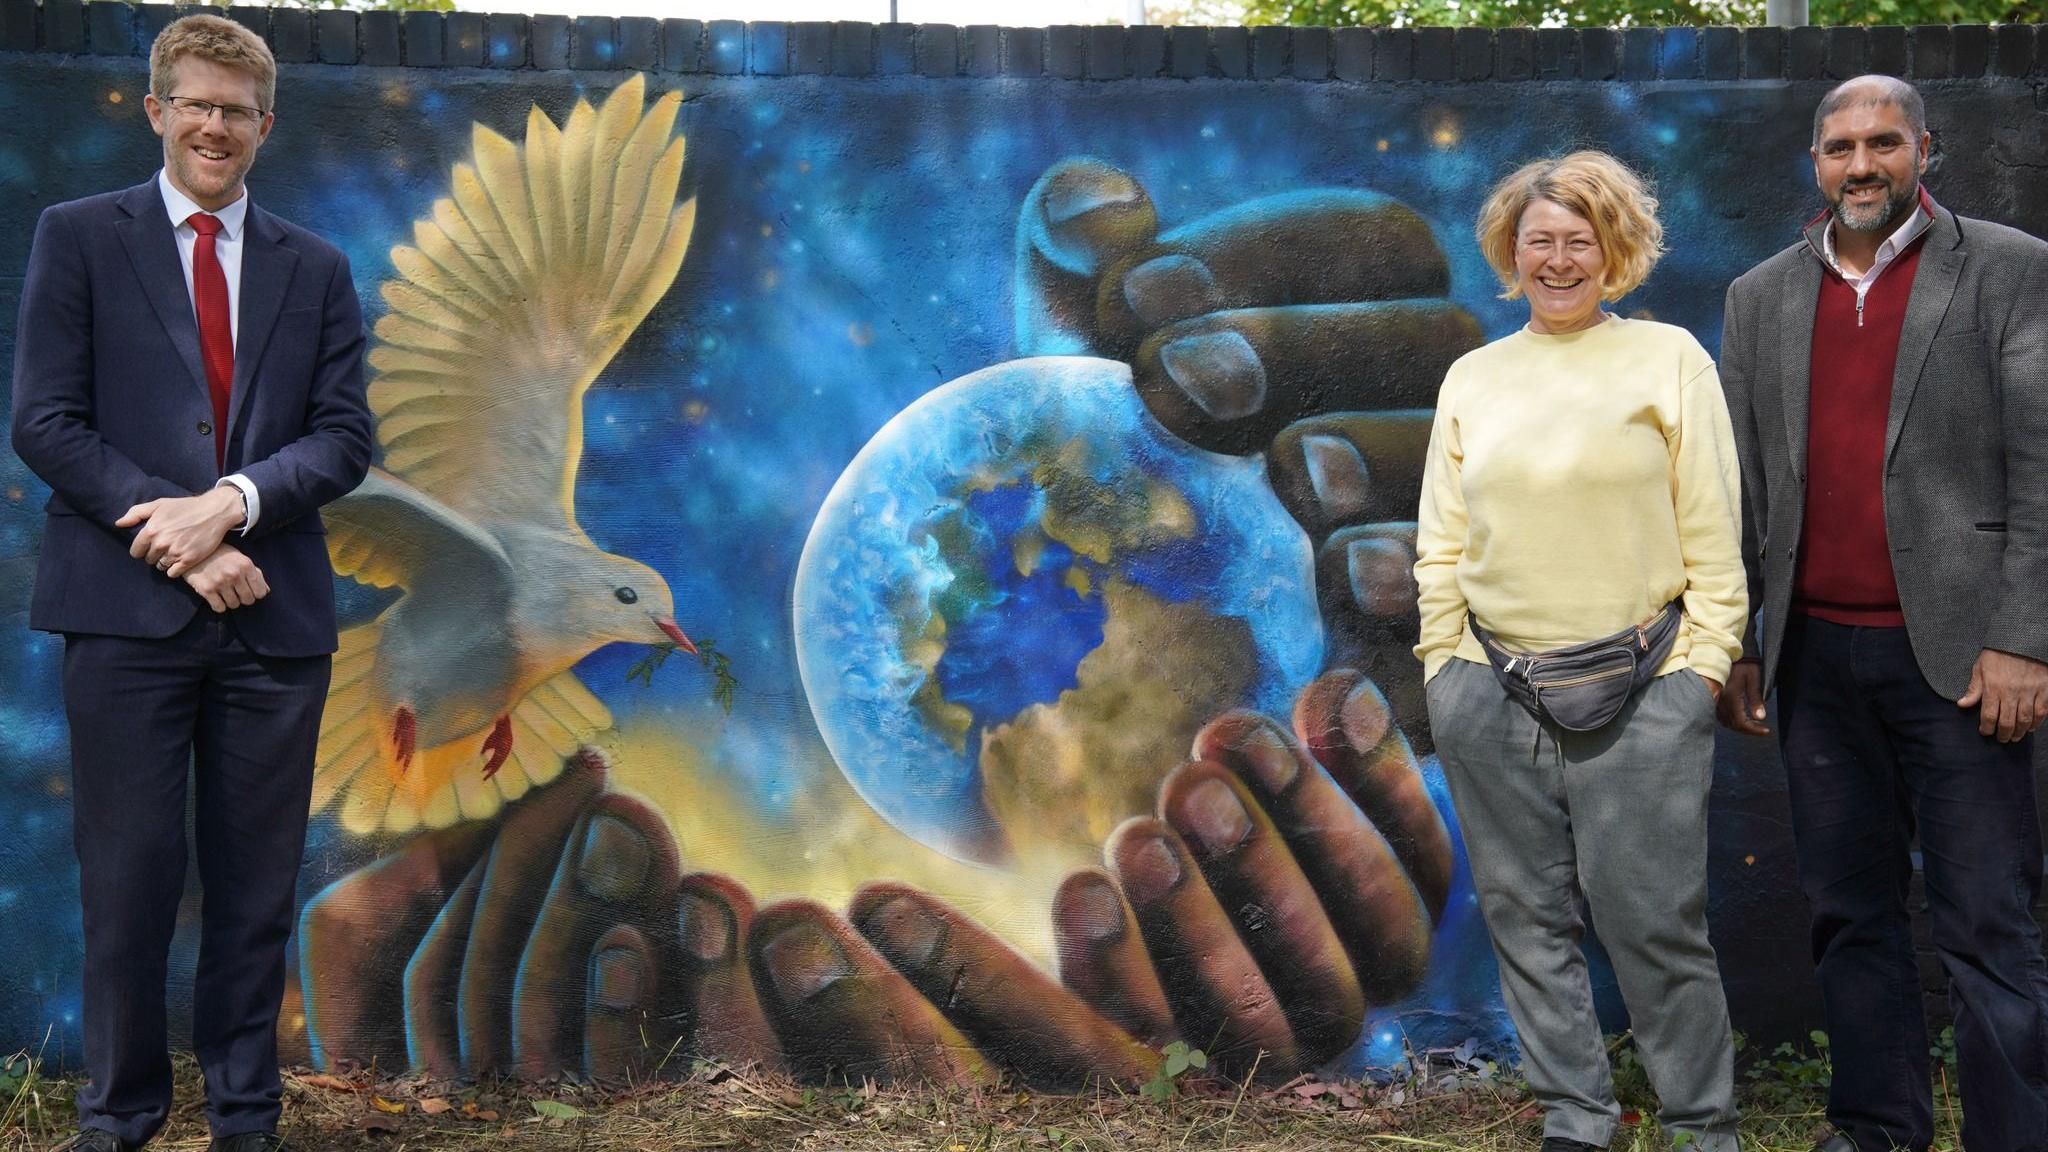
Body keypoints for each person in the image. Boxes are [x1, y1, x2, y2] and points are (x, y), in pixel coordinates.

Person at [9, 14, 372, 1152]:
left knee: (256, 889)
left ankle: (245, 1121)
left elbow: (344, 439)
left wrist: (236, 504)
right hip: (123, 618)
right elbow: (45, 422)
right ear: (156, 109)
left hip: (276, 629)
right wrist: (183, 538)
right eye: (196, 103)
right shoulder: (78, 237)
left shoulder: (313, 268)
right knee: (127, 882)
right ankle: (117, 1122)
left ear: (266, 127)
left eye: (238, 110)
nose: (216, 125)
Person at [1716, 75, 2048, 1152]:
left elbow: (2042, 469)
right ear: (1812, 162)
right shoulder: (1757, 296)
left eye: (1882, 142)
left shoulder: (2008, 270)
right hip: (1812, 659)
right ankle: (1874, 1126)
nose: (1860, 164)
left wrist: (2021, 639)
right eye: (1839, 146)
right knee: (1847, 914)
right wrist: (1742, 646)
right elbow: (1746, 489)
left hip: (1959, 662)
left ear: (1923, 149)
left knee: (1984, 925)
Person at [1413, 150, 1747, 1152]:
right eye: (1537, 241)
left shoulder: (1668, 360)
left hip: (1647, 689)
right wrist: (1444, 665)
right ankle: (1575, 1118)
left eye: (1577, 239)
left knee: (1654, 925)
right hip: (1489, 687)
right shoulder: (1473, 376)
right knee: (1525, 917)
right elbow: (1436, 540)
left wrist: (1701, 671)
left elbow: (1713, 535)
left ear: (1615, 249)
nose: (1557, 259)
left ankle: (1700, 1125)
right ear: (1509, 254)